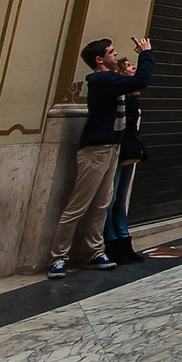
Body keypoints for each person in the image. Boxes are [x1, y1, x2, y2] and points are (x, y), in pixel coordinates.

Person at [50, 37, 153, 278]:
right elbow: (141, 80)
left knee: (101, 205)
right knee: (78, 206)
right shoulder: (101, 79)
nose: (115, 54)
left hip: (112, 148)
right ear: (99, 59)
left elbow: (134, 86)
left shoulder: (111, 79)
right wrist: (146, 54)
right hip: (96, 150)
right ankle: (59, 257)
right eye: (111, 52)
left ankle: (93, 252)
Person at [102, 81, 148, 265]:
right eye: (129, 66)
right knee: (110, 200)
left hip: (129, 151)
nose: (133, 69)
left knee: (120, 200)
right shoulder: (117, 98)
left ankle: (124, 241)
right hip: (117, 150)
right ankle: (112, 243)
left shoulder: (133, 99)